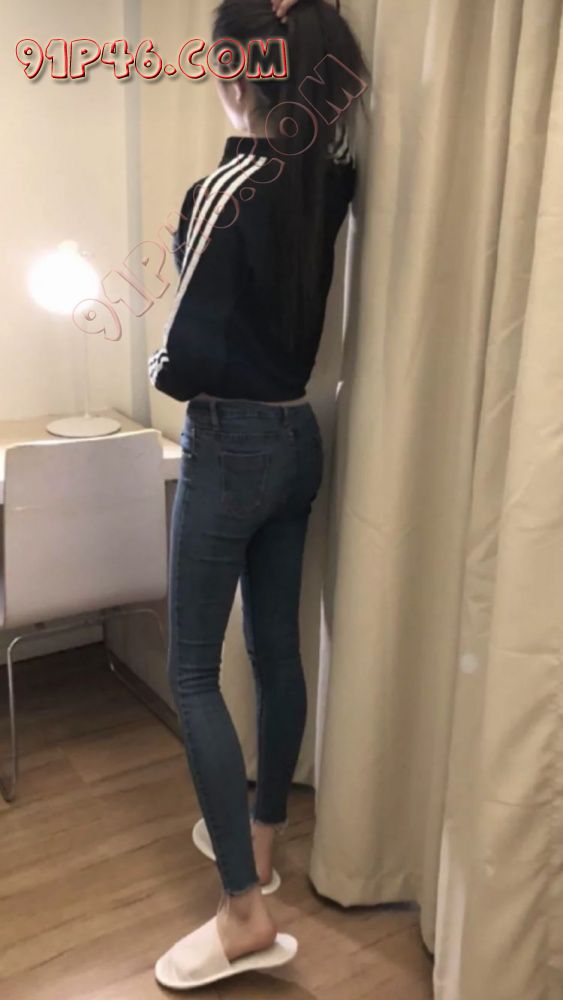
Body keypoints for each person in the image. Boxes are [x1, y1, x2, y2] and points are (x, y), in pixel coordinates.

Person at [149, 0, 368, 988]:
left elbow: (184, 352)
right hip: (297, 436)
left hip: (231, 442)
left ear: (239, 68)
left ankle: (242, 909)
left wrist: (160, 356)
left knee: (193, 669)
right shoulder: (328, 177)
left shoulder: (225, 183)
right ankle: (264, 844)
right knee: (276, 650)